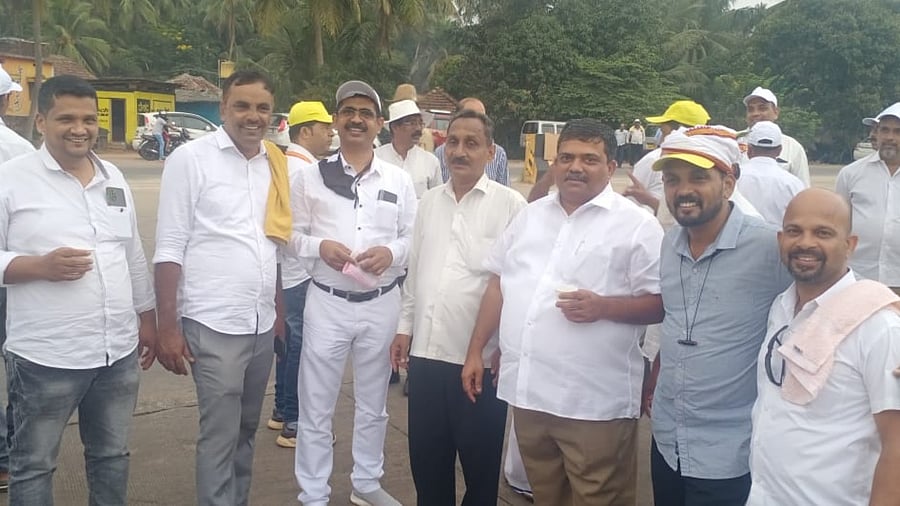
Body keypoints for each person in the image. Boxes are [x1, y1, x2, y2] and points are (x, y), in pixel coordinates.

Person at [462, 119, 665, 505]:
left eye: (590, 159)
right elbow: (498, 284)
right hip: (529, 396)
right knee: (546, 496)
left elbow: (662, 303)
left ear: (611, 167)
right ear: (554, 164)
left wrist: (604, 307)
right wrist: (478, 350)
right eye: (567, 157)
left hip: (592, 404)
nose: (576, 167)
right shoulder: (530, 216)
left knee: (598, 498)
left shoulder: (637, 226)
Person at [0, 74, 157, 505]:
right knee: (33, 464)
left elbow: (133, 254)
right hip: (46, 358)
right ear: (40, 121)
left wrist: (147, 319)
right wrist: (38, 266)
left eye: (89, 119)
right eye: (66, 118)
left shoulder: (113, 178)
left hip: (117, 353)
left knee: (111, 455)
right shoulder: (10, 179)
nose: (80, 128)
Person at [154, 70, 287, 506]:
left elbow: (277, 242)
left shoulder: (274, 162)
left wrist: (279, 317)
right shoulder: (191, 159)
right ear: (224, 108)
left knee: (247, 430)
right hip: (212, 322)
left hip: (259, 323)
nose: (253, 116)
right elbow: (170, 246)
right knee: (219, 433)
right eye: (243, 106)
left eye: (262, 107)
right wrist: (167, 327)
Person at [646, 126, 793, 506]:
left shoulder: (767, 246)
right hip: (667, 439)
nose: (683, 190)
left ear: (729, 183)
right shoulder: (670, 242)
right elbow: (676, 321)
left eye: (699, 177)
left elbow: (834, 287)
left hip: (729, 450)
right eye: (672, 180)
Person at [390, 109, 526, 505]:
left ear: (490, 152)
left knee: (481, 476)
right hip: (426, 357)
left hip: (478, 364)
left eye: (471, 143)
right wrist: (404, 326)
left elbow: (516, 285)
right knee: (428, 469)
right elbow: (416, 273)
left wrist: (505, 345)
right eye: (453, 142)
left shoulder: (512, 207)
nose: (460, 151)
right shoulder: (429, 203)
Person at [289, 80, 415, 506]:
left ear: (379, 123)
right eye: (348, 112)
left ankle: (365, 484)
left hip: (381, 304)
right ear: (336, 121)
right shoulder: (309, 178)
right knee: (316, 404)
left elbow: (413, 236)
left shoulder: (399, 179)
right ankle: (313, 494)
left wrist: (392, 251)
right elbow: (289, 236)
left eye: (366, 112)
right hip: (327, 301)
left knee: (374, 403)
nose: (357, 119)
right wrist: (318, 247)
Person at [747, 188, 900, 505]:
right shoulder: (782, 306)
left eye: (823, 233)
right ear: (780, 240)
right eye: (794, 231)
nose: (805, 242)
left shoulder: (879, 327)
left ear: (850, 245)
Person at [268, 101, 335, 448]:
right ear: (305, 131)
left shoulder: (290, 163)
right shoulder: (300, 171)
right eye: (325, 128)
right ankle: (294, 422)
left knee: (289, 343)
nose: (331, 134)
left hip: (290, 270)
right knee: (300, 346)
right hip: (301, 270)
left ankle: (282, 409)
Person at [0, 62, 34, 493]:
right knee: (19, 370)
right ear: (9, 99)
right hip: (12, 274)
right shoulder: (18, 151)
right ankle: (9, 458)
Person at [836, 102, 900, 295]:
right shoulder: (851, 174)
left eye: (898, 132)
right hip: (858, 278)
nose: (890, 137)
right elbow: (838, 226)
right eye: (885, 130)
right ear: (876, 133)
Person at [737, 121, 804, 227]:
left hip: (739, 241)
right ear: (779, 151)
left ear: (749, 150)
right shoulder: (793, 183)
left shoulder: (733, 178)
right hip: (778, 241)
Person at [742, 86, 810, 186]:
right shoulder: (734, 142)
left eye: (762, 108)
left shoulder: (793, 147)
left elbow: (803, 189)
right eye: (751, 109)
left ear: (776, 112)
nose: (755, 113)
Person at [375, 100, 442, 198]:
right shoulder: (376, 158)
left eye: (420, 123)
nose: (418, 128)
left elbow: (437, 199)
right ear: (394, 127)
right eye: (412, 123)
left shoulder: (430, 161)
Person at [436, 98, 509, 185]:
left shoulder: (499, 153)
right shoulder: (439, 154)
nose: (459, 153)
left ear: (490, 153)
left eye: (471, 144)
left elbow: (504, 186)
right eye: (470, 116)